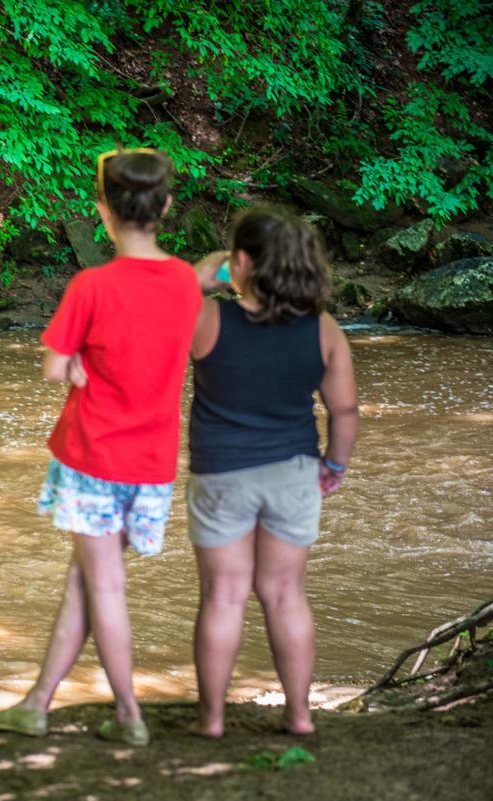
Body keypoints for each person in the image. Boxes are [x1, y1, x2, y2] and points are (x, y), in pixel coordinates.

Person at [0, 148, 203, 746]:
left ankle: (129, 714)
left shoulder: (93, 284)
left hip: (95, 458)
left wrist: (78, 358)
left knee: (102, 585)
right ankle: (37, 703)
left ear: (102, 210)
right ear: (165, 205)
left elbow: (54, 367)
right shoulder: (185, 282)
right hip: (154, 463)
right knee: (84, 582)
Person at [186, 208, 357, 737]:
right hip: (295, 470)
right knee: (285, 593)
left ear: (241, 263)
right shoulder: (323, 329)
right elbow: (345, 412)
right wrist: (334, 464)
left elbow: (188, 283)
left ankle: (212, 721)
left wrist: (223, 269)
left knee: (224, 595)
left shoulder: (209, 320)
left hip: (221, 473)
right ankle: (300, 716)